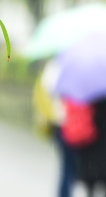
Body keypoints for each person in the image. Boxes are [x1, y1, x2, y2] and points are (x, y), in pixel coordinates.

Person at [34, 61, 77, 197]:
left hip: (59, 123)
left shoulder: (54, 66)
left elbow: (47, 91)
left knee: (67, 166)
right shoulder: (73, 68)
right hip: (70, 124)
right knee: (70, 168)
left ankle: (64, 193)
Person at [75, 97, 106, 197]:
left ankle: (92, 191)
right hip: (97, 131)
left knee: (92, 178)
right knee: (104, 177)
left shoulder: (86, 97)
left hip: (91, 131)